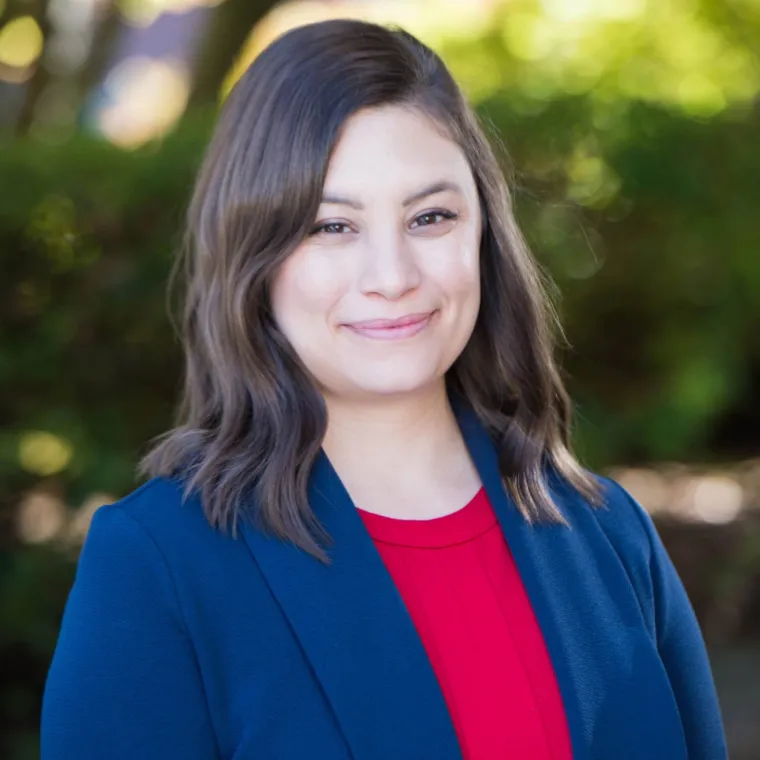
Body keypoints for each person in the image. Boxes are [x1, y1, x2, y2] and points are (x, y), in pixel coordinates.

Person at [41, 18, 727, 760]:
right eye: (331, 227)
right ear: (255, 256)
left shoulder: (609, 534)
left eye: (430, 217)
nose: (393, 276)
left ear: (483, 235)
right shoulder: (159, 567)